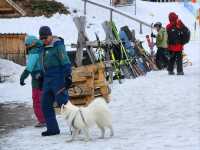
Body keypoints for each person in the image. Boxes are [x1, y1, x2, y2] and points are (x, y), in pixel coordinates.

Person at [39, 26, 72, 136]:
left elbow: (65, 61)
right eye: (41, 38)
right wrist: (41, 77)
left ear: (50, 35)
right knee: (45, 104)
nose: (44, 40)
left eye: (45, 37)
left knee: (63, 103)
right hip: (47, 79)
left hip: (58, 77)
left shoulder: (58, 45)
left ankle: (77, 126)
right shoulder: (43, 48)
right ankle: (53, 129)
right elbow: (43, 63)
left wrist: (68, 76)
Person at [20, 35, 46, 127]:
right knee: (43, 99)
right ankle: (46, 118)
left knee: (37, 100)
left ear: (31, 44)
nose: (26, 47)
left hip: (36, 79)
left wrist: (22, 77)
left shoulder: (33, 53)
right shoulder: (42, 50)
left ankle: (42, 120)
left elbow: (29, 68)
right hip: (43, 77)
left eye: (27, 44)